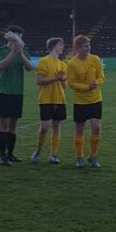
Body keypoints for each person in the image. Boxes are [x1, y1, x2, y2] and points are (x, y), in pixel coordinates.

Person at [0, 25, 34, 165]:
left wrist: (20, 53)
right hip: (5, 92)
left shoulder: (23, 51)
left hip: (18, 92)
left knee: (13, 126)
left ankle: (10, 154)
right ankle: (2, 156)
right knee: (4, 125)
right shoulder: (2, 50)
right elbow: (1, 66)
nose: (19, 41)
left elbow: (30, 68)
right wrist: (13, 52)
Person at [66, 35, 105, 169]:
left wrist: (97, 83)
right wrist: (86, 87)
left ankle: (93, 156)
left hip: (95, 99)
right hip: (80, 101)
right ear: (78, 48)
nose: (88, 48)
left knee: (96, 128)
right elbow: (71, 84)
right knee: (80, 130)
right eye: (85, 46)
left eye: (89, 45)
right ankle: (79, 157)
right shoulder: (71, 63)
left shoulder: (95, 59)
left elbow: (101, 77)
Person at [33, 37, 69, 165]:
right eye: (60, 44)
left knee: (56, 127)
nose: (62, 47)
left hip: (59, 99)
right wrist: (56, 78)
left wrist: (63, 80)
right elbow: (39, 81)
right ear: (53, 46)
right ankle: (38, 151)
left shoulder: (63, 64)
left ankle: (54, 155)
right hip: (46, 99)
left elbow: (65, 87)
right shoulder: (44, 61)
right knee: (45, 127)